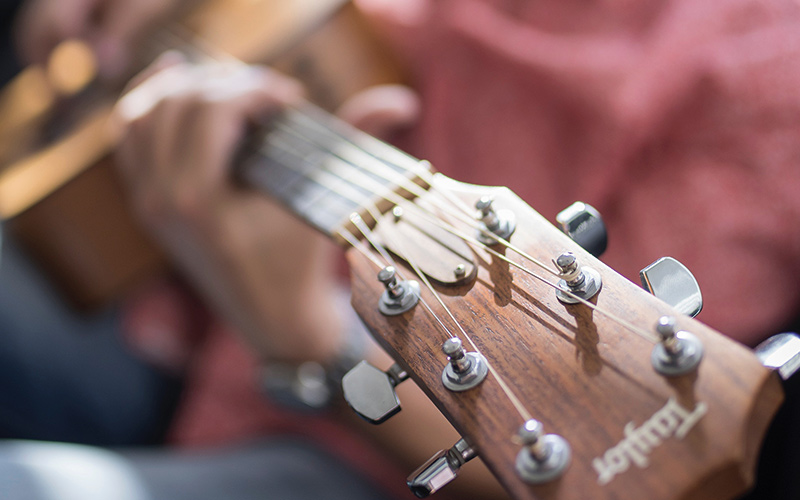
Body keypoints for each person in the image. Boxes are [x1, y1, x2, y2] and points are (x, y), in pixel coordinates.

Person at [4, 0, 800, 498]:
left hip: (356, 446)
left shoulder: (762, 76)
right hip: (177, 289)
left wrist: (305, 342)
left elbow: (604, 440)